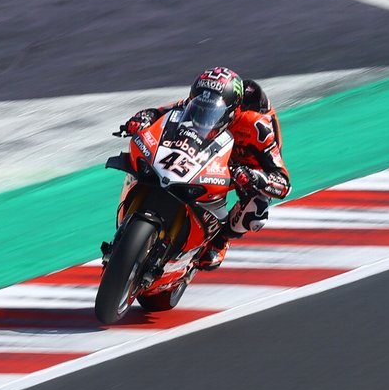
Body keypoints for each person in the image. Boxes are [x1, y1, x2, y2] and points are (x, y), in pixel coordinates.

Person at [116, 67, 290, 270]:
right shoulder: (198, 102)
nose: (204, 114)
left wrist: (256, 178)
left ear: (233, 110)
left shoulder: (258, 127)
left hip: (245, 166)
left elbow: (283, 182)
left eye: (213, 112)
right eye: (199, 106)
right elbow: (160, 113)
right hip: (206, 151)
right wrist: (141, 119)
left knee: (256, 209)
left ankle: (220, 241)